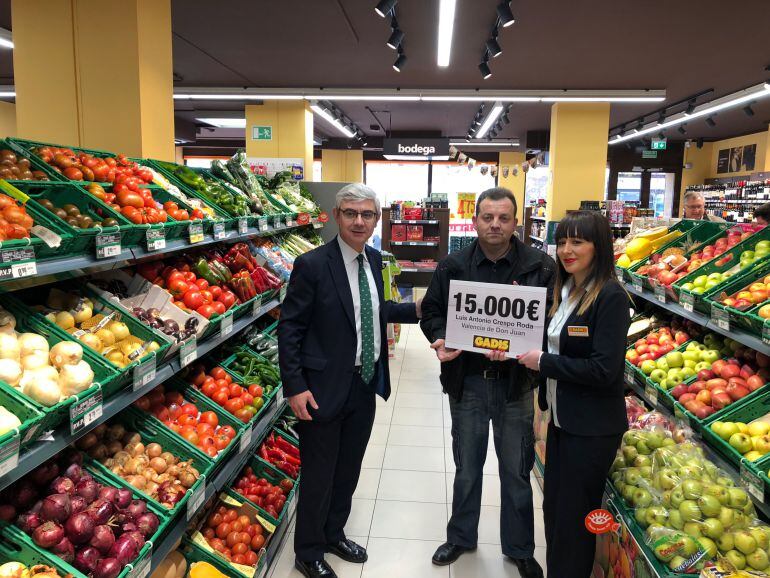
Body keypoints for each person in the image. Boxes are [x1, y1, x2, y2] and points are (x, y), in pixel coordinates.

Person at [278, 183, 420, 578]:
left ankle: (333, 532)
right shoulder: (311, 264)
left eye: (367, 214)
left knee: (349, 469)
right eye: (351, 213)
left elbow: (378, 309)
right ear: (337, 216)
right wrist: (295, 385)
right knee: (319, 474)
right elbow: (289, 329)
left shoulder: (373, 260)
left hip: (364, 384)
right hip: (321, 389)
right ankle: (307, 551)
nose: (360, 221)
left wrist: (419, 308)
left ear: (377, 219)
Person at [420, 187, 556, 578]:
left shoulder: (540, 266)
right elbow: (431, 311)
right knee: (467, 466)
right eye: (487, 217)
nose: (495, 224)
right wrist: (441, 337)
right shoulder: (453, 265)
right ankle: (461, 537)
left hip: (517, 385)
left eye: (504, 218)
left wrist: (523, 345)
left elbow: (550, 323)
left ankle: (520, 548)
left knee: (516, 470)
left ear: (517, 222)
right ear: (476, 219)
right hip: (469, 383)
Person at [518, 211, 631, 578]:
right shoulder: (565, 292)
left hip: (592, 429)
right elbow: (551, 343)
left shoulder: (610, 297)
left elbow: (603, 370)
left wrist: (545, 362)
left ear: (599, 247)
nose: (567, 250)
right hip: (563, 422)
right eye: (562, 241)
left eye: (577, 241)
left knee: (573, 520)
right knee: (555, 515)